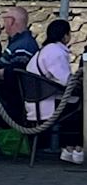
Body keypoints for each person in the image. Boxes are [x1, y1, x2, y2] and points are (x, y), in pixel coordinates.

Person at [23, 19, 82, 164]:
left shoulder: (46, 50)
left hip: (37, 100)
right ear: (65, 35)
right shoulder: (56, 52)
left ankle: (70, 148)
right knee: (80, 107)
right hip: (44, 103)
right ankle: (74, 147)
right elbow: (65, 80)